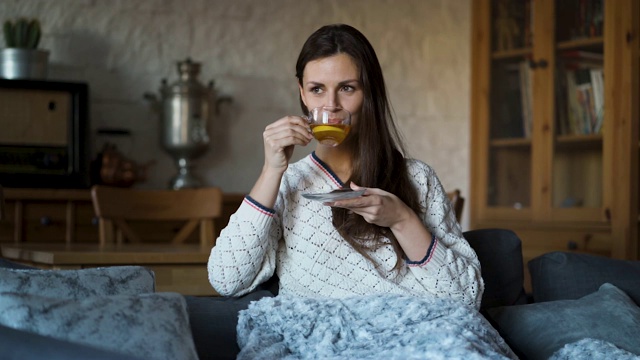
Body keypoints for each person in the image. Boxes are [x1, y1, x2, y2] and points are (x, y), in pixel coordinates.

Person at [208, 23, 484, 309]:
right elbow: (227, 279)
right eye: (317, 89)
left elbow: (466, 297)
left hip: (413, 333)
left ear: (369, 94)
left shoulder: (417, 178)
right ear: (302, 93)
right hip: (320, 337)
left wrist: (402, 219)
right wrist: (272, 170)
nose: (331, 105)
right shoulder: (286, 183)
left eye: (347, 88)